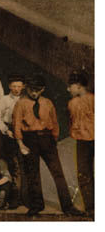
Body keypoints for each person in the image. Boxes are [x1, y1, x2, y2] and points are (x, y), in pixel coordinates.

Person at [12, 74, 77, 216]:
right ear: (26, 88)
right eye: (31, 90)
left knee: (58, 173)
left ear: (43, 89)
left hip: (47, 140)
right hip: (30, 140)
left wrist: (53, 139)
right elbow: (16, 124)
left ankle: (68, 207)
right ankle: (37, 206)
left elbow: (54, 123)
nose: (34, 93)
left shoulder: (48, 103)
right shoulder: (21, 103)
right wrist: (20, 144)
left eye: (38, 90)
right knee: (33, 174)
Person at [0, 74, 27, 208]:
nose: (16, 89)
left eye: (19, 86)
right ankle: (11, 198)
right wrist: (6, 130)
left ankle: (22, 198)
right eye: (14, 86)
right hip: (8, 133)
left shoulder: (26, 99)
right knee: (11, 165)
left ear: (23, 87)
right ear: (9, 86)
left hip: (24, 133)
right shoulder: (4, 100)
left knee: (22, 166)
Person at [67, 71, 94, 215]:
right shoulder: (95, 99)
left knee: (84, 174)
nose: (68, 89)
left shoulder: (73, 103)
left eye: (70, 86)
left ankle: (91, 208)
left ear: (78, 86)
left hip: (83, 142)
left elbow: (72, 124)